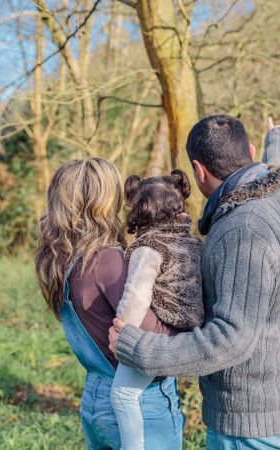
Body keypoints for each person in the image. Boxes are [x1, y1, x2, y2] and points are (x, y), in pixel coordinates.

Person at [110, 116, 280, 450]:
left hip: (251, 427)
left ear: (198, 170)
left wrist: (139, 349)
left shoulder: (242, 228)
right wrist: (279, 136)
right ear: (250, 151)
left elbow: (230, 340)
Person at [35, 157, 184, 450]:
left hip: (96, 395)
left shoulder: (61, 260)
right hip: (140, 403)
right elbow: (152, 339)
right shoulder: (107, 260)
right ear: (104, 202)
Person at [110, 169, 204, 450]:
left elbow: (137, 294)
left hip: (160, 336)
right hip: (190, 333)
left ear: (140, 212)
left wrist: (122, 330)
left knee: (123, 394)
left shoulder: (148, 248)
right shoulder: (192, 243)